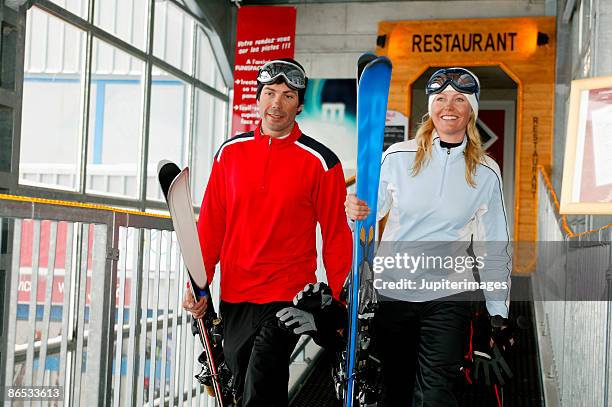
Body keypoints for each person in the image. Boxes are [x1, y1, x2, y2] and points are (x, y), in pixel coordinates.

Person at [183, 58, 352, 407]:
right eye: (270, 93)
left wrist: (340, 302)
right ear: (258, 99)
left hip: (286, 295)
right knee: (242, 385)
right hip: (236, 293)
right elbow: (211, 224)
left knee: (263, 374)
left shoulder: (322, 162)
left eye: (288, 95)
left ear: (300, 105)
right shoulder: (229, 154)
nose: (276, 103)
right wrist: (197, 284)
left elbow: (335, 234)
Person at [345, 67, 512, 406]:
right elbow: (365, 217)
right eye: (441, 99)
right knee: (398, 390)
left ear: (471, 110)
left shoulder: (485, 171)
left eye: (459, 99)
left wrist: (498, 311)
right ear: (431, 106)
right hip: (393, 292)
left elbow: (494, 247)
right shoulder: (397, 157)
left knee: (436, 394)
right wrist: (353, 212)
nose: (449, 106)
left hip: (449, 295)